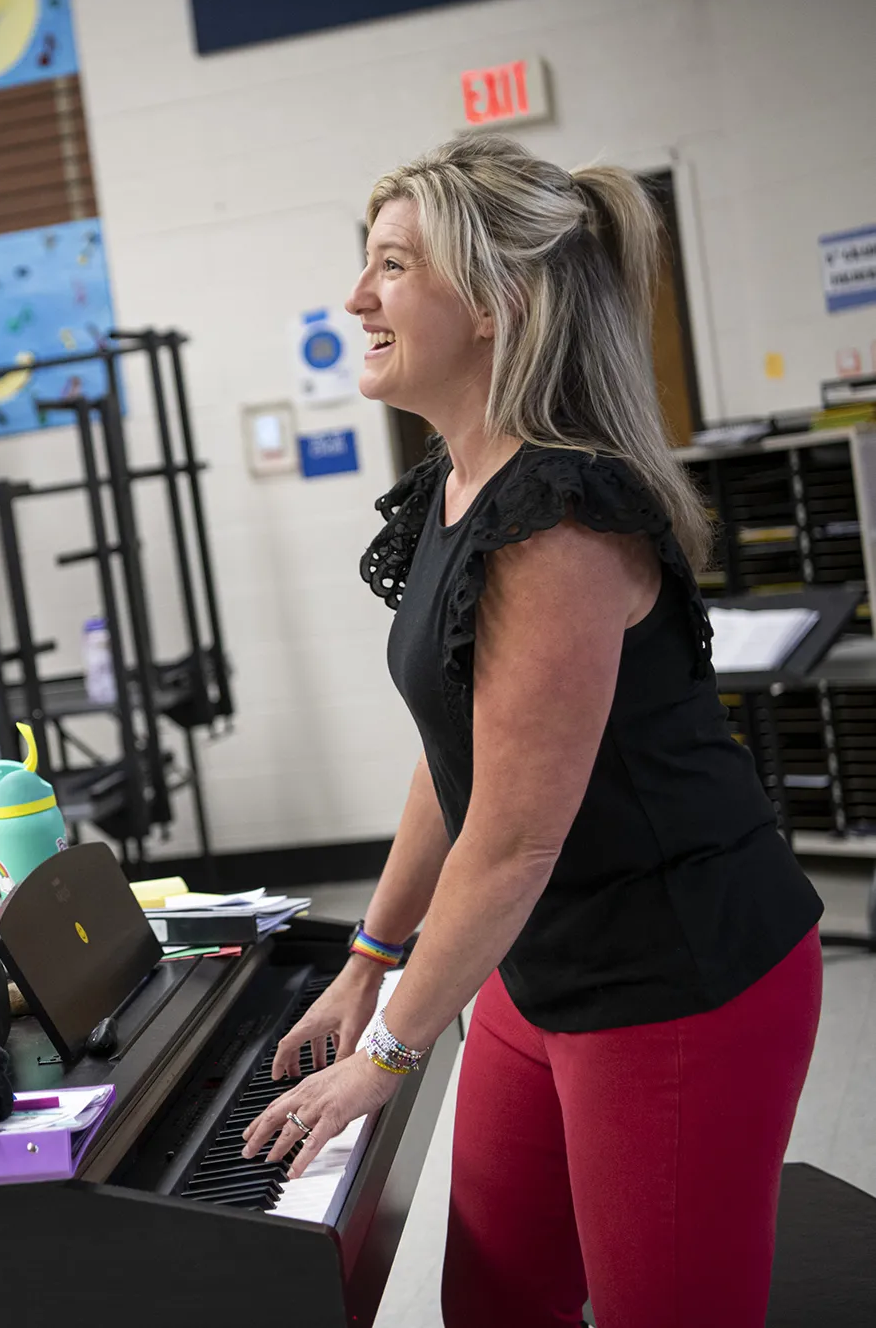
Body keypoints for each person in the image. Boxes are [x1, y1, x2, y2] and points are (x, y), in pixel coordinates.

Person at [240, 136, 824, 1328]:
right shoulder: (456, 488)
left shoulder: (557, 520)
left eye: (391, 267)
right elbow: (453, 759)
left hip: (674, 970)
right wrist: (369, 962)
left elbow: (510, 841)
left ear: (499, 304)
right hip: (537, 965)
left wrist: (388, 1054)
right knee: (496, 1304)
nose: (356, 298)